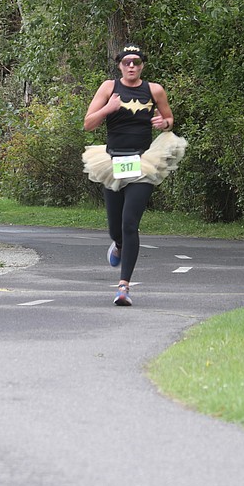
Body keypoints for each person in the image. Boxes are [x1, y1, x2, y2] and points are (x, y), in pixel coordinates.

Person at [82, 44, 187, 306]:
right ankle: (117, 244)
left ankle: (123, 287)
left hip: (143, 162)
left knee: (130, 223)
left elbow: (169, 119)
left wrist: (164, 123)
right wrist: (109, 108)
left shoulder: (154, 90)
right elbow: (88, 124)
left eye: (136, 62)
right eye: (127, 62)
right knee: (115, 228)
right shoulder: (109, 88)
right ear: (119, 65)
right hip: (111, 161)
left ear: (142, 65)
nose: (132, 66)